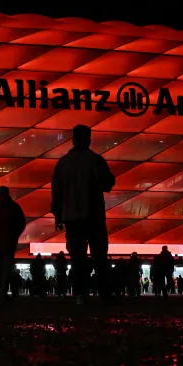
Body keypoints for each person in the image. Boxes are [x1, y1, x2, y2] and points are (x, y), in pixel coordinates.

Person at [51, 124, 116, 304]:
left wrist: (58, 216)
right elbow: (108, 184)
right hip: (94, 214)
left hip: (72, 217)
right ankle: (104, 294)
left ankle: (81, 295)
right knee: (100, 256)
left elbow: (57, 193)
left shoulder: (63, 163)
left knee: (78, 258)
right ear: (89, 139)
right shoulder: (95, 160)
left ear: (73, 139)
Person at [0, 186, 26, 300]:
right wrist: (15, 234)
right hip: (9, 243)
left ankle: (0, 289)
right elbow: (21, 223)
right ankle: (5, 290)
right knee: (7, 267)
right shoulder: (14, 207)